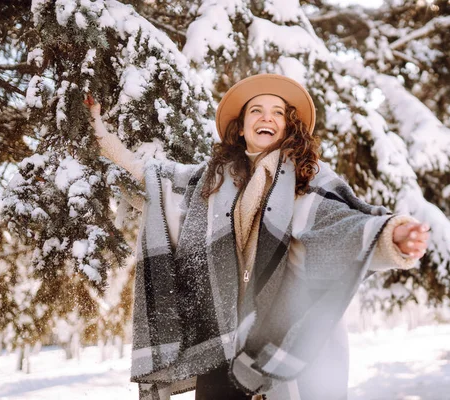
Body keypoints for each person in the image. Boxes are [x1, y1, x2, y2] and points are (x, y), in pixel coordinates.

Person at [85, 73, 429, 400]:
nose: (267, 117)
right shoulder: (211, 181)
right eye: (257, 110)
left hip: (286, 336)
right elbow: (151, 176)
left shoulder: (309, 179)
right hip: (222, 341)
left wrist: (392, 235)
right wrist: (99, 134)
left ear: (289, 125)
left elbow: (350, 226)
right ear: (242, 125)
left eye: (278, 111)